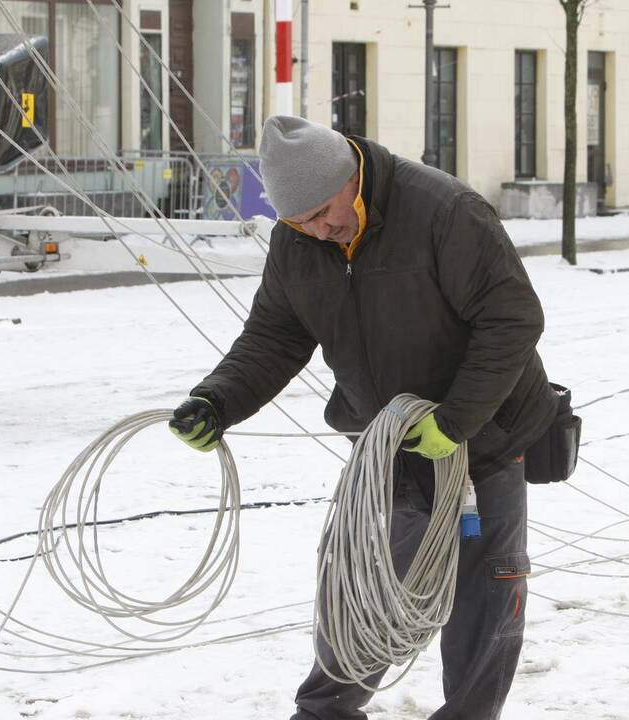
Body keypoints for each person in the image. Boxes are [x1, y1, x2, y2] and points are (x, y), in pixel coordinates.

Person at [169, 115, 559, 720]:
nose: (322, 230)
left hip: (486, 435)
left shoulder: (442, 210)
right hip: (389, 446)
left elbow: (512, 319)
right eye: (300, 222)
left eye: (325, 211)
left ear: (352, 171)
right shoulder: (298, 243)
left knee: (484, 598)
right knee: (365, 590)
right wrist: (217, 400)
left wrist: (456, 420)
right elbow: (274, 336)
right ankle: (324, 713)